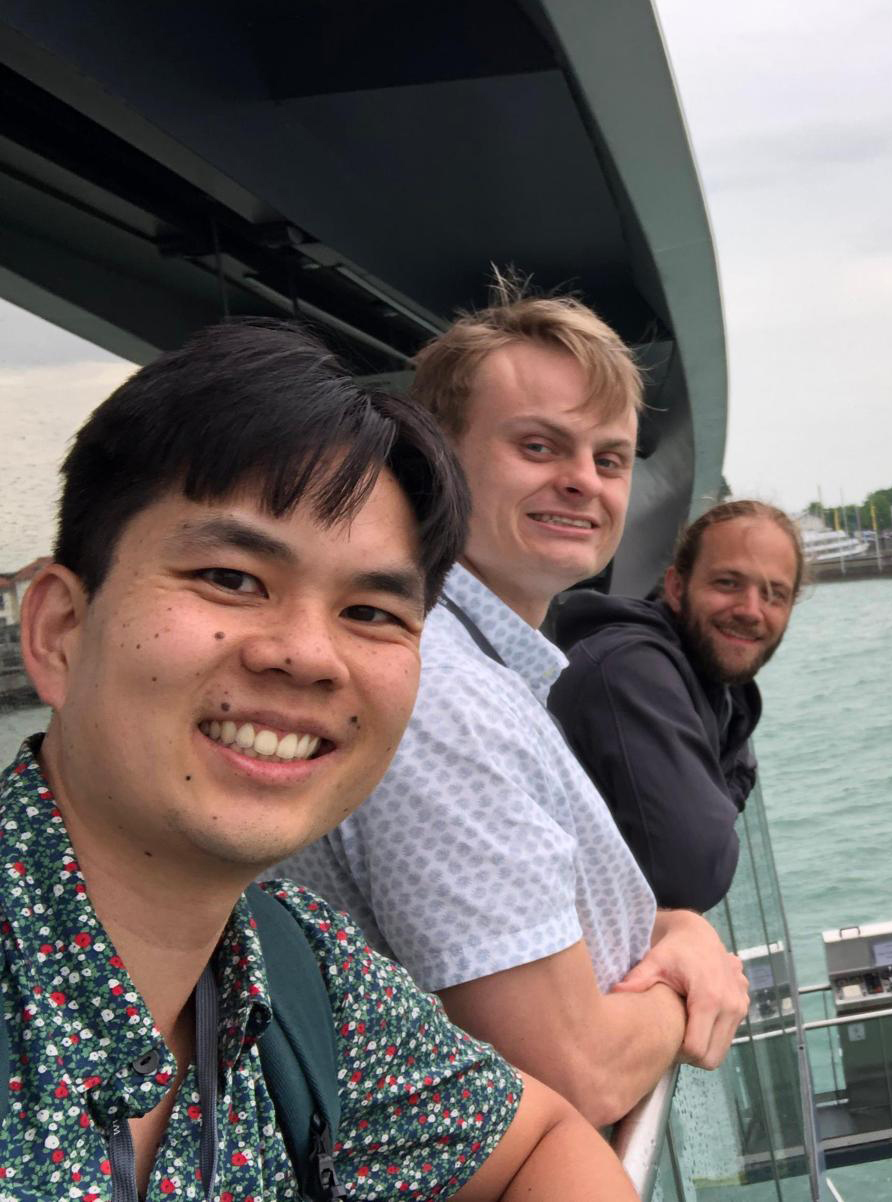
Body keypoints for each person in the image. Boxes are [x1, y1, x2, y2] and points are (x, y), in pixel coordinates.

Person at [6, 321, 634, 1200]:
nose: (306, 655)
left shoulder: (297, 968)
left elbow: (536, 1141)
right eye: (231, 578)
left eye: (372, 612)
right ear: (60, 631)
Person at [279, 285, 749, 1128]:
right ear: (436, 461)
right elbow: (573, 1073)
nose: (582, 482)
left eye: (610, 460)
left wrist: (674, 925)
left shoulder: (477, 665)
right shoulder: (441, 699)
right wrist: (690, 987)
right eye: (540, 446)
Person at [548, 501, 803, 912]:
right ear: (676, 588)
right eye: (727, 583)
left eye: (775, 595)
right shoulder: (630, 667)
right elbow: (696, 876)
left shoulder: (719, 689)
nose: (752, 611)